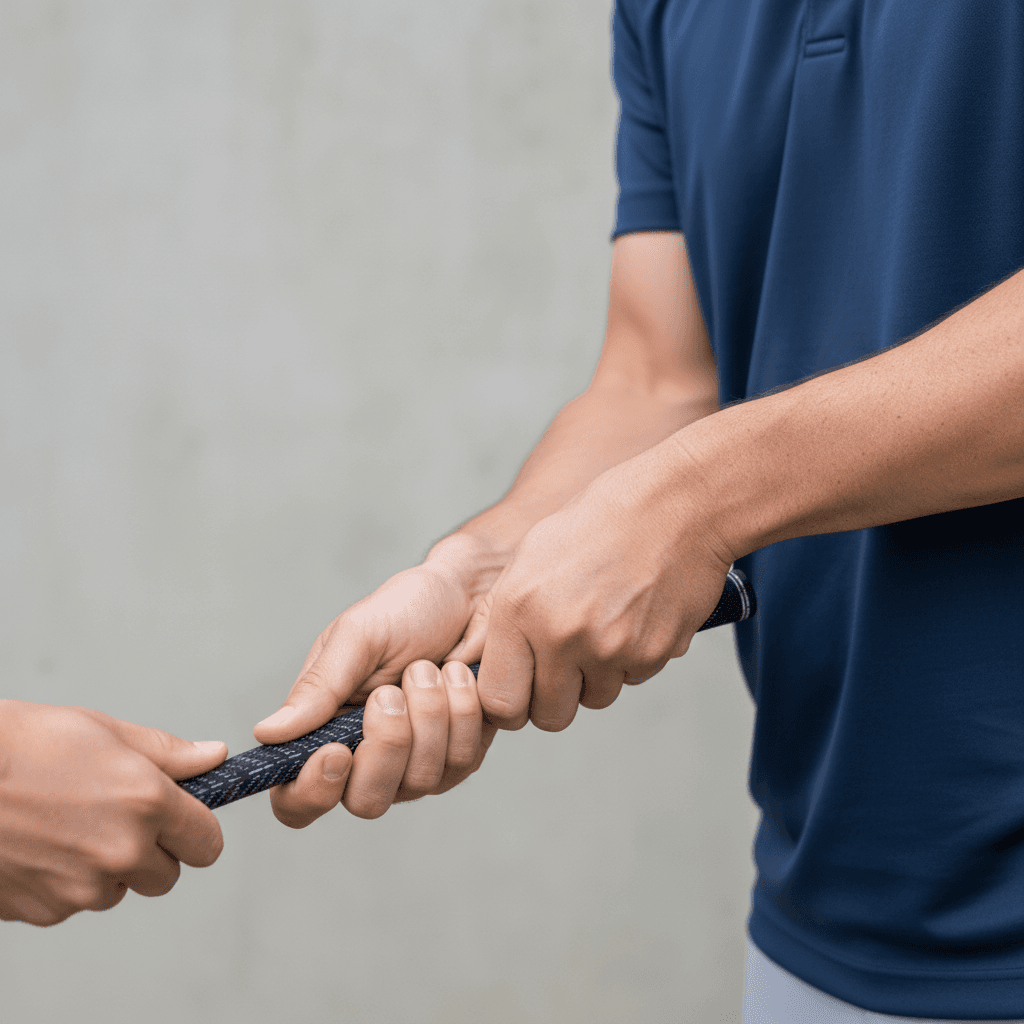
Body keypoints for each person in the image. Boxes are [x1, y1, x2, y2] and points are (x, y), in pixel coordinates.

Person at [255, 2, 1024, 1019]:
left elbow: (689, 468)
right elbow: (659, 375)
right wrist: (479, 570)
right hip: (824, 919)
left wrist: (696, 498)